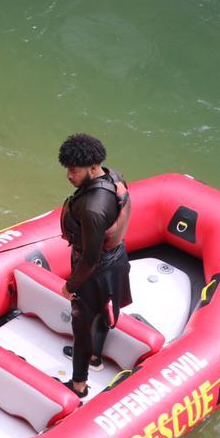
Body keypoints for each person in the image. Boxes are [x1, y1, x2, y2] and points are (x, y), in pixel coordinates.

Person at [57, 134, 132, 398]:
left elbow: (89, 258)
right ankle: (96, 357)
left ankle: (79, 384)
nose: (69, 175)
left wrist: (70, 285)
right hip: (117, 261)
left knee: (81, 323)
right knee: (102, 310)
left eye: (73, 170)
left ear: (91, 168)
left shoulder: (91, 208)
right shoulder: (114, 176)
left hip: (95, 271)